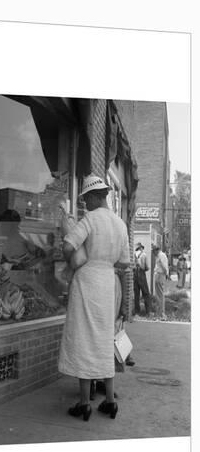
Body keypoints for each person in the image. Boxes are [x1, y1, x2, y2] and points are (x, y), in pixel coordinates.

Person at [58, 174, 130, 421]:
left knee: (84, 339)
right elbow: (124, 262)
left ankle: (84, 403)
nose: (85, 203)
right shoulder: (120, 224)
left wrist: (73, 260)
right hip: (107, 283)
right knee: (102, 340)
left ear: (94, 196)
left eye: (86, 198)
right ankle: (109, 402)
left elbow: (69, 245)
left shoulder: (90, 219)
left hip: (87, 282)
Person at [134, 242, 151, 315]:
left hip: (135, 275)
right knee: (146, 293)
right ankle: (148, 311)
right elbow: (146, 267)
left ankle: (137, 311)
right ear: (141, 248)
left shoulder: (134, 255)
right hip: (141, 274)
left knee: (136, 294)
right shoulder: (144, 255)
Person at [153, 245, 169, 320]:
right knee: (158, 295)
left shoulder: (161, 255)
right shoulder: (161, 255)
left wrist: (165, 274)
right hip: (159, 275)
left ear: (157, 250)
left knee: (160, 295)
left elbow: (164, 266)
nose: (153, 253)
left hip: (160, 275)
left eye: (154, 251)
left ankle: (161, 314)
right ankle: (159, 313)